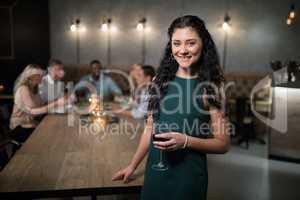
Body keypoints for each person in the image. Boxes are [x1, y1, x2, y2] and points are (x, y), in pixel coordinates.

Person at [112, 15, 230, 200]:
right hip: (155, 174)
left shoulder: (212, 86)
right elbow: (149, 129)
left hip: (188, 180)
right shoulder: (159, 80)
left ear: (203, 44)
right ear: (171, 46)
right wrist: (132, 165)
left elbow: (223, 144)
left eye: (190, 43)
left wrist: (185, 141)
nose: (182, 50)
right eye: (177, 43)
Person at [9, 64, 66, 143]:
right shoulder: (23, 88)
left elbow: (40, 107)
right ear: (31, 76)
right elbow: (33, 112)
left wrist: (56, 101)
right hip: (19, 126)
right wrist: (55, 103)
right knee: (49, 136)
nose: (42, 76)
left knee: (55, 130)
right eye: (39, 75)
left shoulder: (35, 89)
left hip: (30, 123)